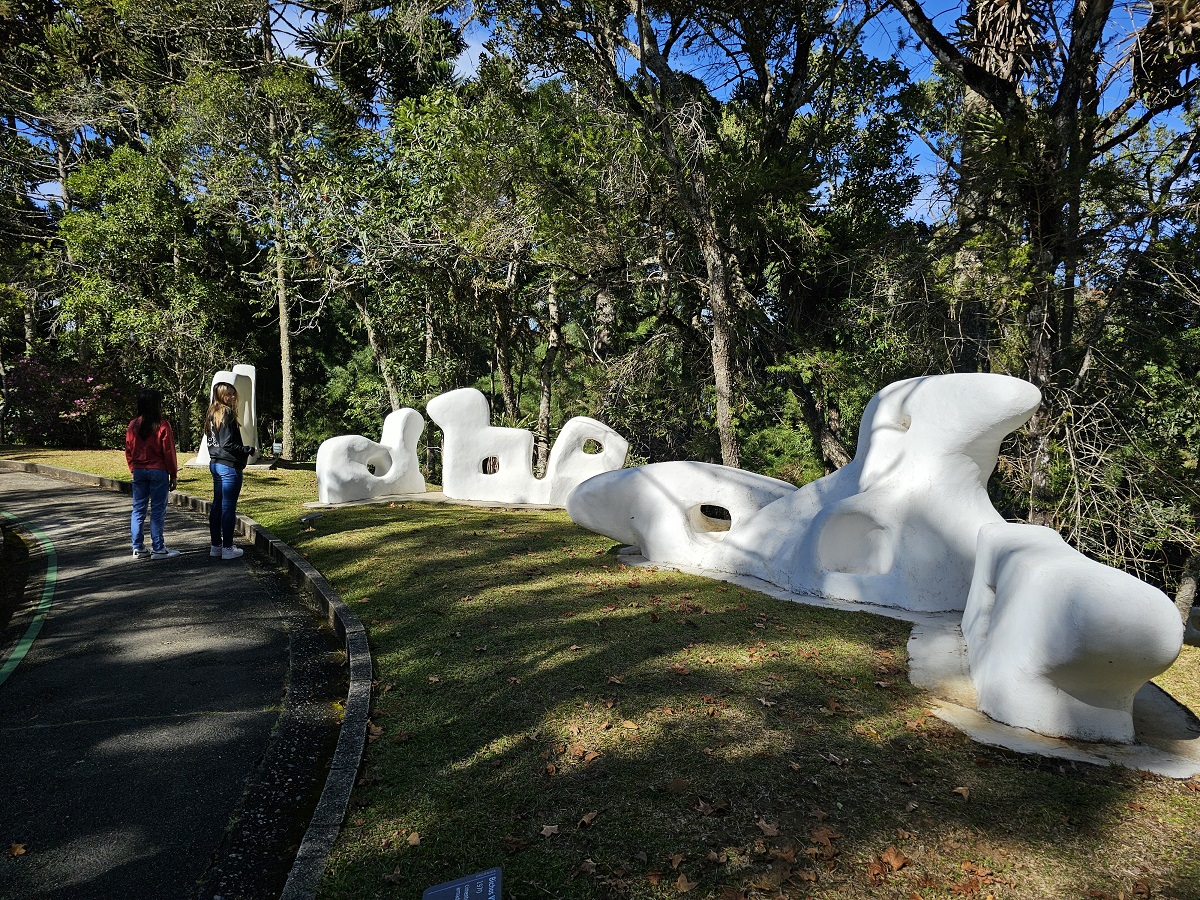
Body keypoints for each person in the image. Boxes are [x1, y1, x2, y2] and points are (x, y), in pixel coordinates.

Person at [125, 389, 180, 560]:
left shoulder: (133, 424)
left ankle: (138, 547)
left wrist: (133, 468)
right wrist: (173, 474)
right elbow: (169, 452)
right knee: (157, 510)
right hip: (158, 471)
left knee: (138, 510)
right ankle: (158, 547)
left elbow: (128, 449)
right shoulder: (162, 425)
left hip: (139, 471)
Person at [205, 381, 256, 560]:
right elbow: (227, 443)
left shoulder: (212, 413)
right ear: (220, 395)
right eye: (229, 394)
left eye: (234, 393)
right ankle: (227, 547)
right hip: (228, 465)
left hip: (216, 462)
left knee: (218, 505)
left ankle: (216, 545)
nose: (233, 397)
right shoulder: (225, 412)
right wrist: (247, 449)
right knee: (228, 507)